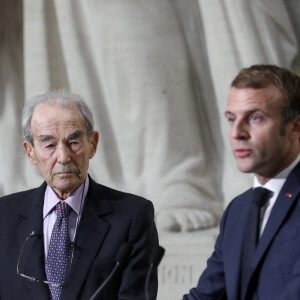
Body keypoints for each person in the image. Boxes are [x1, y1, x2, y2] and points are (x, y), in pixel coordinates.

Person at [0, 90, 159, 300]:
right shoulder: (4, 215)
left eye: (74, 143)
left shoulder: (133, 216)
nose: (63, 157)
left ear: (92, 144)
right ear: (30, 152)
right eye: (49, 145)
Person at [182, 64, 300, 300]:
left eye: (255, 118)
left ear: (295, 127)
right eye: (232, 119)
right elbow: (208, 295)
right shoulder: (238, 210)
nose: (237, 132)